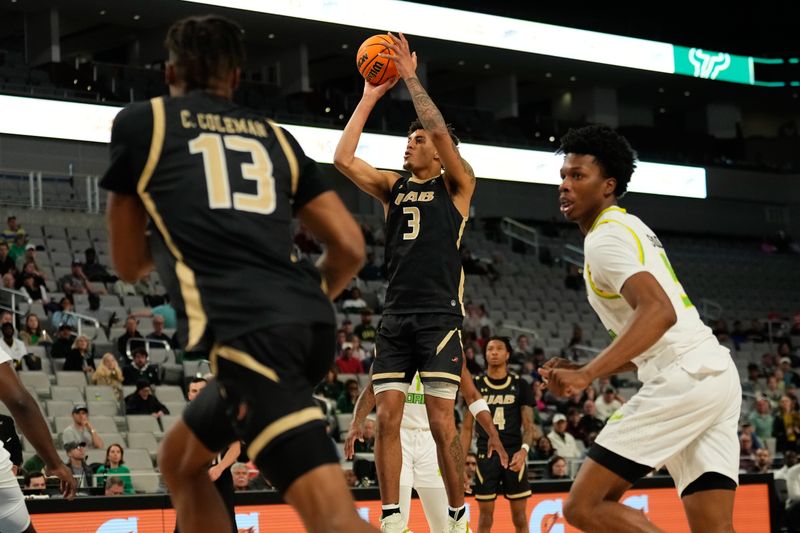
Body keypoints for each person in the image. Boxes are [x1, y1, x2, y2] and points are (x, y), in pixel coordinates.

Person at [101, 14, 370, 533]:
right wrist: (298, 302)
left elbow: (128, 263)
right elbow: (351, 248)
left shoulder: (143, 123)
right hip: (306, 320)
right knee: (181, 461)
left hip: (252, 335)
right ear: (238, 78)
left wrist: (180, 223)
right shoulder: (277, 138)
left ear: (168, 72)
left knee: (334, 522)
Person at [540, 124, 741, 533]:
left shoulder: (605, 238)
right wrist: (589, 366)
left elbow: (658, 311)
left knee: (583, 506)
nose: (565, 185)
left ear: (608, 185)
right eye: (563, 176)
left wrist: (587, 373)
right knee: (714, 528)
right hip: (713, 373)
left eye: (578, 176)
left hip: (682, 378)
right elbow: (655, 338)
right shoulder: (631, 227)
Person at [334, 31, 477, 533]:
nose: (410, 143)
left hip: (439, 316)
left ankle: (457, 516)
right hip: (396, 316)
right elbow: (343, 160)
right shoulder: (393, 187)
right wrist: (371, 96)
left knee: (442, 423)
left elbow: (438, 129)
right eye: (409, 138)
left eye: (419, 140)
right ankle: (393, 517)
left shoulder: (458, 184)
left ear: (440, 154)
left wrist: (411, 78)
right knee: (387, 418)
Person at [346, 363, 507, 533]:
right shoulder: (392, 343)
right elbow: (371, 388)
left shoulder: (449, 348)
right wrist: (356, 421)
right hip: (397, 439)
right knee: (394, 525)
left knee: (446, 526)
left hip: (432, 441)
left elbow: (472, 395)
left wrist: (492, 432)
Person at [461, 336, 537, 533]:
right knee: (485, 519)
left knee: (520, 518)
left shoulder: (521, 385)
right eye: (489, 349)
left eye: (499, 348)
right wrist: (459, 463)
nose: (493, 352)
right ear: (485, 354)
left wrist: (524, 451)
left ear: (508, 354)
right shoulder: (475, 384)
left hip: (514, 454)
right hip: (486, 456)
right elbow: (467, 428)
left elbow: (529, 426)